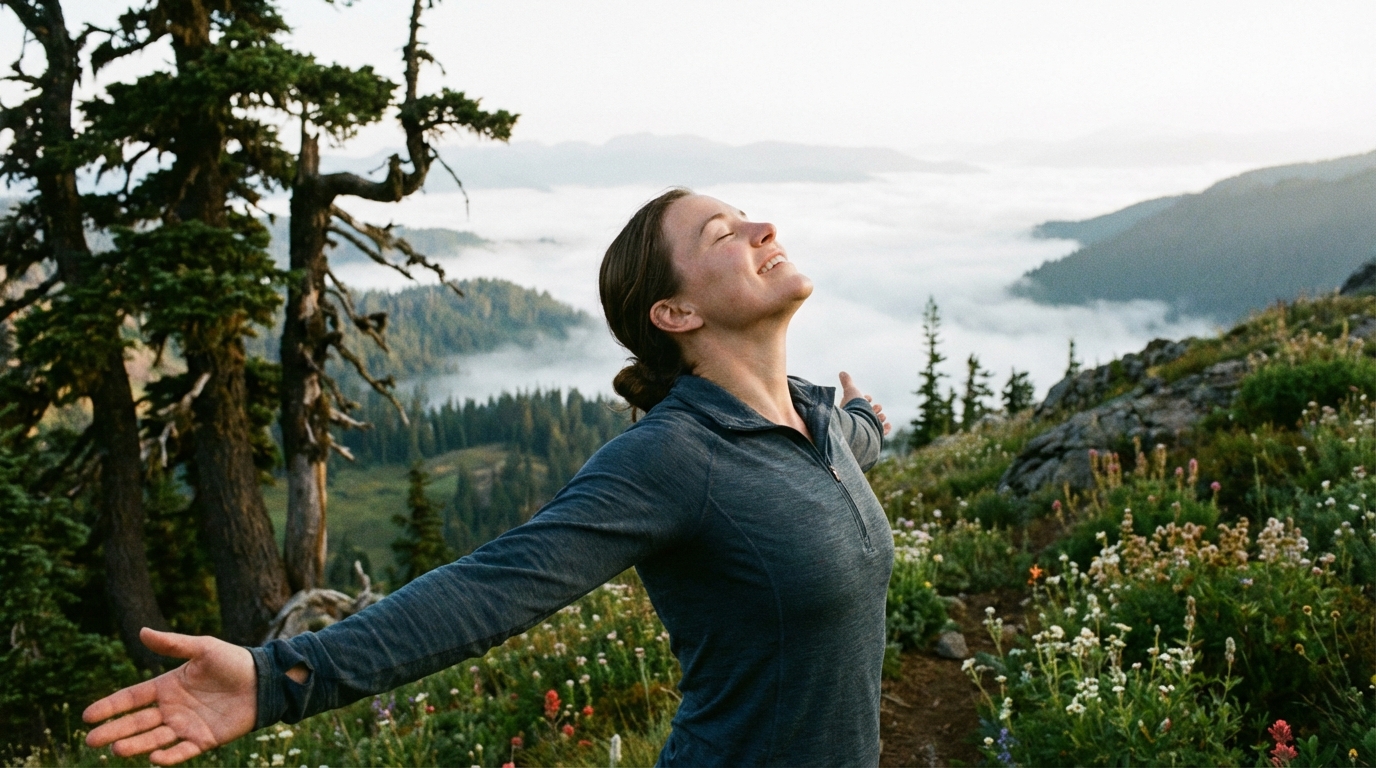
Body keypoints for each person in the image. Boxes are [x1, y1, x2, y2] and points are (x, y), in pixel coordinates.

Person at [83, 188, 895, 767]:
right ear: (676, 314)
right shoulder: (675, 459)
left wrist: (868, 424)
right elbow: (491, 586)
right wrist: (280, 679)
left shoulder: (814, 421)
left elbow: (834, 457)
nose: (762, 225)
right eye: (723, 233)